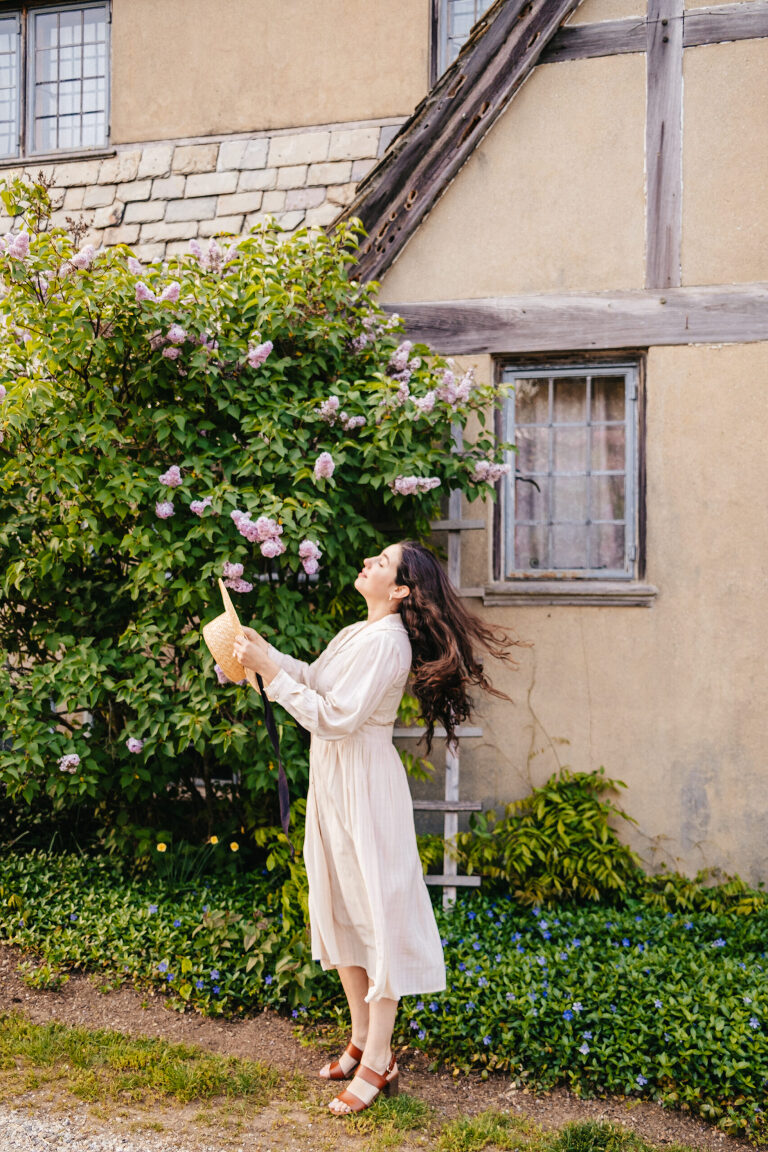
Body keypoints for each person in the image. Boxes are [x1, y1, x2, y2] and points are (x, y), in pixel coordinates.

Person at [232, 540, 519, 1115]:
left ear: (401, 590)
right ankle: (361, 1039)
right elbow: (314, 680)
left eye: (381, 563)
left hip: (366, 787)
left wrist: (271, 674)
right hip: (334, 783)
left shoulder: (390, 643)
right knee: (341, 906)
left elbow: (335, 718)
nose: (366, 562)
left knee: (378, 917)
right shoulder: (356, 633)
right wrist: (268, 657)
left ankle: (381, 1058)